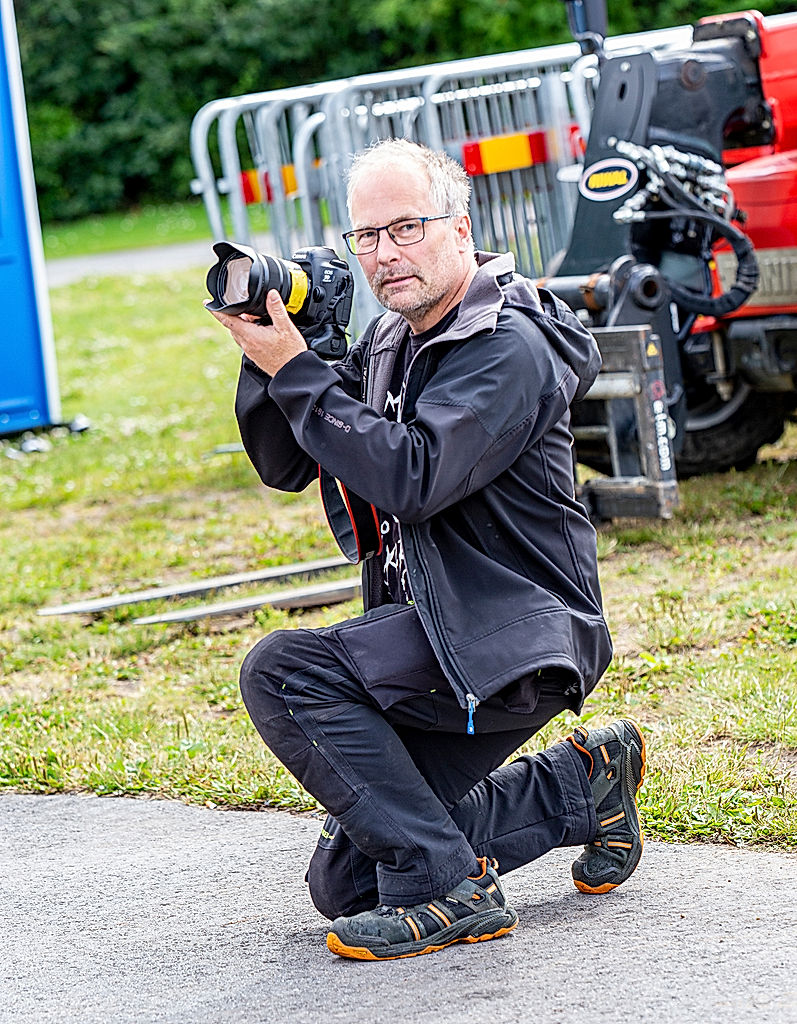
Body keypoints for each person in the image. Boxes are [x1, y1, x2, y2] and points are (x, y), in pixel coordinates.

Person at [207, 138, 645, 962]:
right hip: (437, 638)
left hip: (513, 635)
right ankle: (579, 784)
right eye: (366, 236)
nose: (383, 254)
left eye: (404, 228)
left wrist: (299, 371)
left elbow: (413, 478)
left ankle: (452, 890)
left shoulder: (507, 341)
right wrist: (272, 357)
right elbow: (286, 464)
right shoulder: (390, 343)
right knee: (347, 884)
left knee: (283, 669)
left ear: (458, 226)